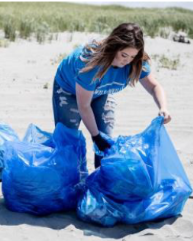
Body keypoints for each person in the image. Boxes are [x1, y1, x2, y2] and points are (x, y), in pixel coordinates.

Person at [52, 23, 172, 169]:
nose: (127, 61)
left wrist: (163, 107)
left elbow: (154, 86)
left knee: (105, 140)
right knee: (68, 141)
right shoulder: (91, 63)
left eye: (133, 56)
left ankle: (100, 184)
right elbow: (84, 106)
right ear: (114, 47)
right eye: (124, 55)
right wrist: (95, 136)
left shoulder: (137, 62)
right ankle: (71, 184)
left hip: (101, 92)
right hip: (68, 90)